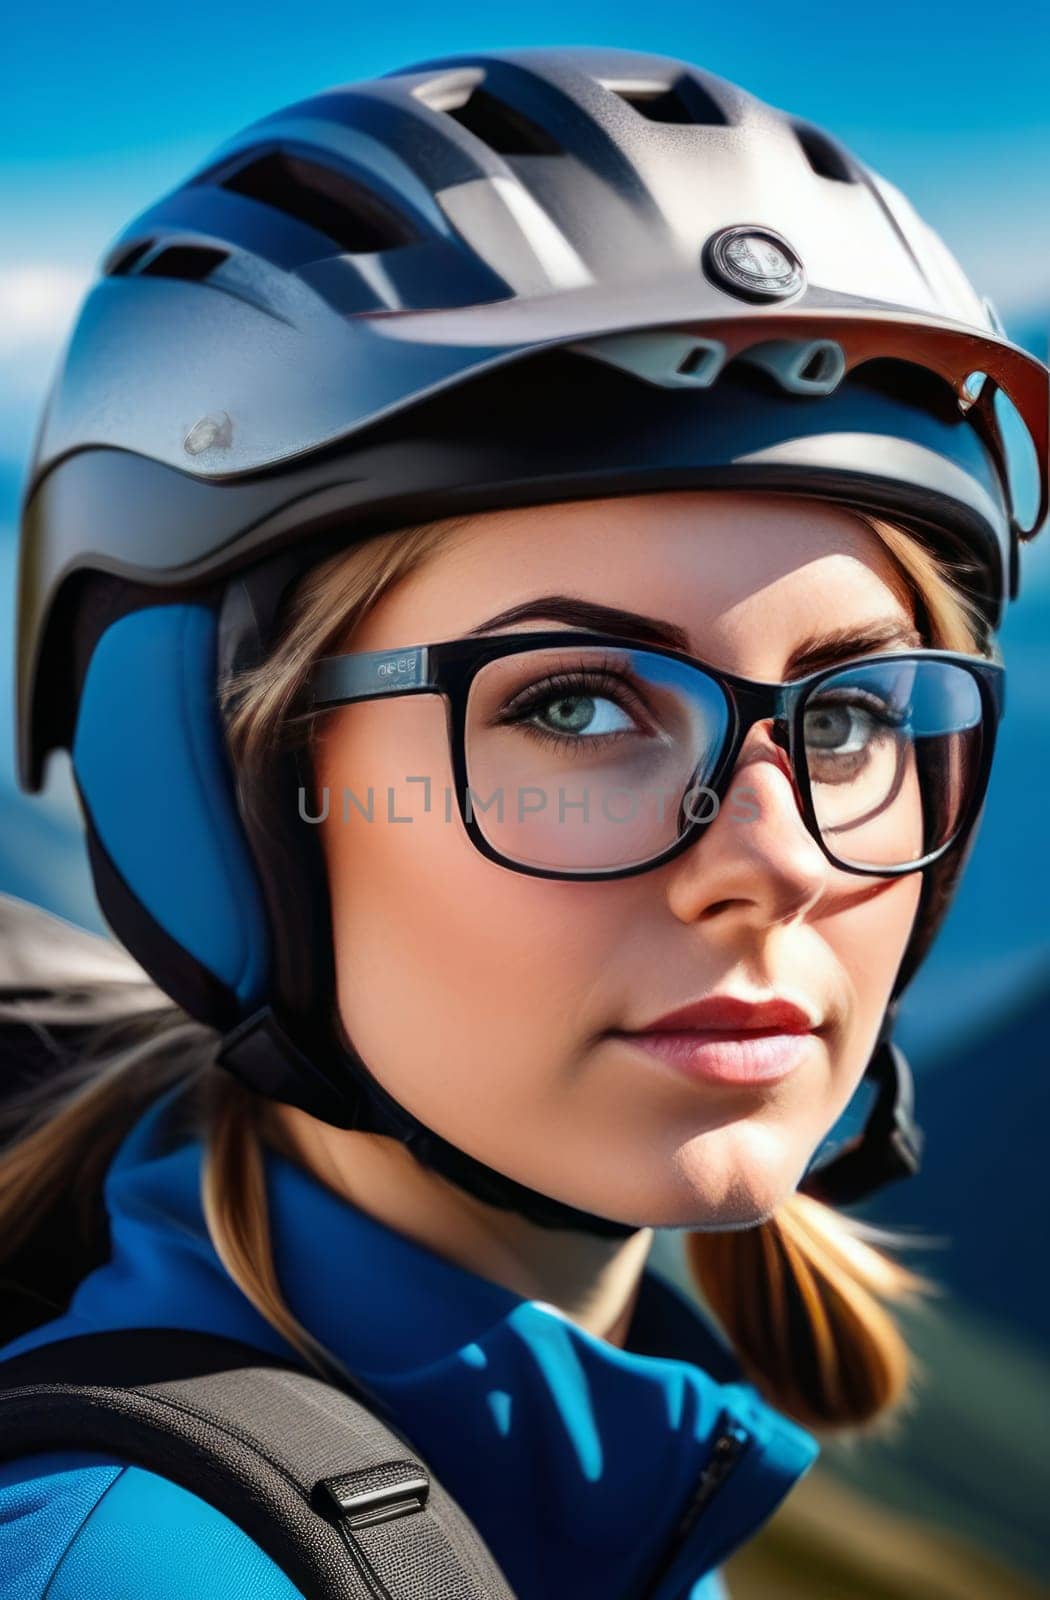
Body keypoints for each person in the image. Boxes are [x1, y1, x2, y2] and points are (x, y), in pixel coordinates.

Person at [0, 43, 1045, 1600]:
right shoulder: (133, 1565)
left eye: (845, 716)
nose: (773, 861)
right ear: (211, 802)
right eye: (571, 706)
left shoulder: (585, 1483)